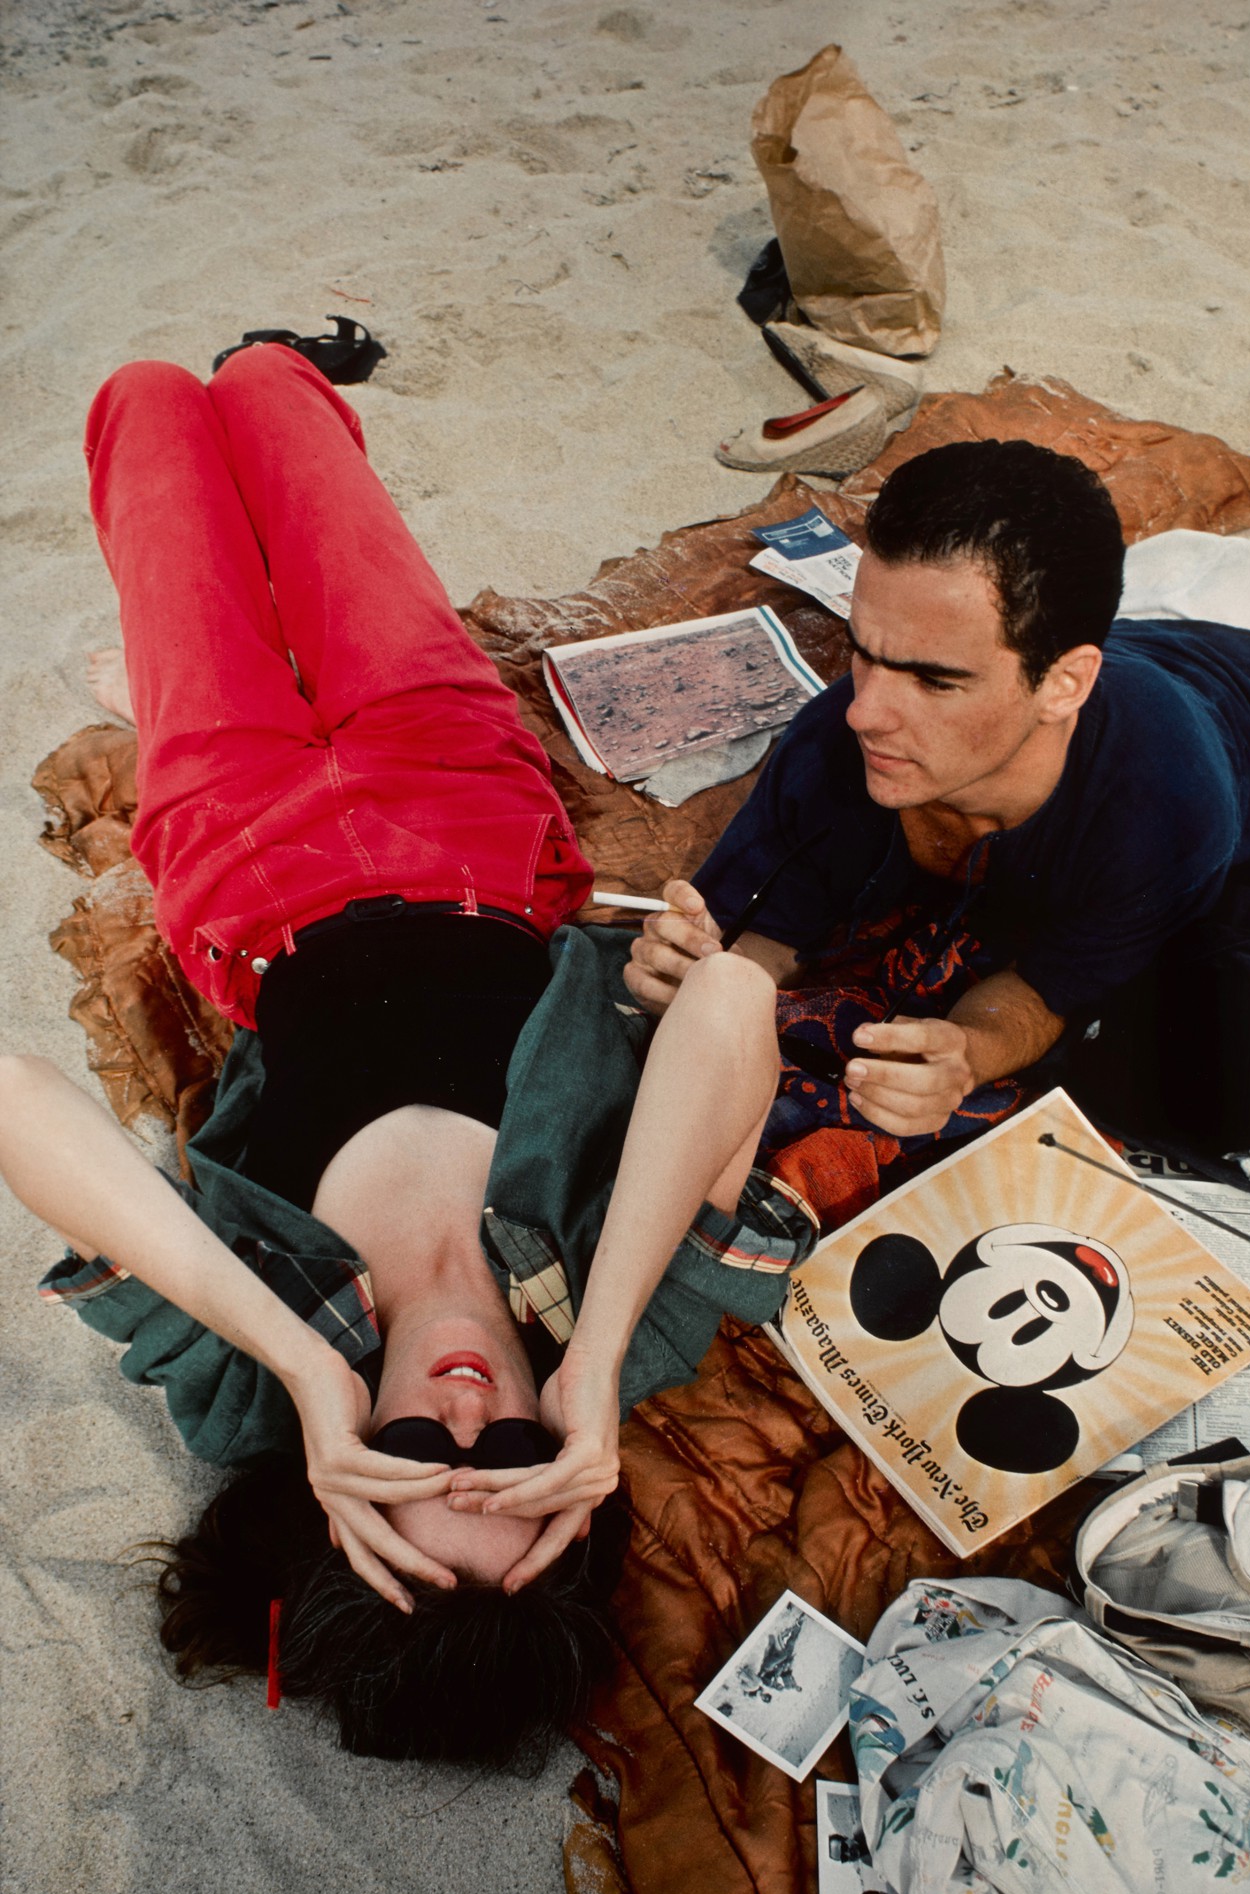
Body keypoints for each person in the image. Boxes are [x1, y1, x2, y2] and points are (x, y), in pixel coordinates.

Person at [0, 346, 815, 1765]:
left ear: (337, 1488)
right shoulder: (617, 1343)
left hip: (244, 860)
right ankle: (276, 372)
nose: (460, 1408)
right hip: (469, 828)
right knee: (267, 398)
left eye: (411, 1456)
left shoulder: (255, 1382)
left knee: (141, 407)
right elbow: (733, 1012)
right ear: (569, 1477)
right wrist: (600, 1346)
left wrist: (312, 1377)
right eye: (505, 1458)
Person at [626, 440, 1250, 1165]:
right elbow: (759, 939)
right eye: (863, 652)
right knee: (1135, 581)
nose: (863, 714)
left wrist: (965, 1052)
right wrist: (696, 973)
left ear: (1064, 685)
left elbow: (1049, 991)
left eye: (933, 682)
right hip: (1122, 629)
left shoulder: (1166, 808)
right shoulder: (829, 742)